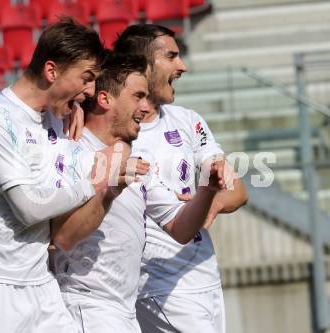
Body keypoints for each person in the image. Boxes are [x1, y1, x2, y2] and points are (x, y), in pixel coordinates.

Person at [0, 18, 140, 333]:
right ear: (51, 71)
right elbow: (29, 209)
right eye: (86, 78)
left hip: (41, 286)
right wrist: (98, 179)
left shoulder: (55, 116)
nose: (91, 91)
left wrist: (74, 105)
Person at [50, 53, 227, 333]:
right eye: (138, 97)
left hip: (124, 311)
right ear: (105, 99)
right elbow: (63, 237)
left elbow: (179, 228)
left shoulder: (136, 159)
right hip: (86, 308)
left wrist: (207, 192)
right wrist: (108, 192)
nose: (146, 108)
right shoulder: (71, 152)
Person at [113, 24, 248, 333]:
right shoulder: (118, 136)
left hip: (204, 275)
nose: (182, 66)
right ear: (141, 66)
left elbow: (237, 189)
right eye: (171, 56)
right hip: (160, 283)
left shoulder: (187, 120)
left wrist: (208, 203)